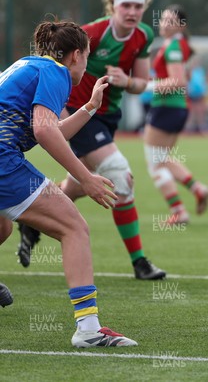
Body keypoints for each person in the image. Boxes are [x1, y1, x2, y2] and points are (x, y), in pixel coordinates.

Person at [17, 0, 166, 280]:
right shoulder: (93, 34)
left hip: (107, 115)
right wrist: (62, 119)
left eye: (139, 6)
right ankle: (139, 261)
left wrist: (127, 82)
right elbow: (55, 69)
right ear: (113, 6)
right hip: (80, 113)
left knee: (75, 185)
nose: (132, 11)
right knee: (119, 174)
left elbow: (141, 84)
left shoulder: (143, 36)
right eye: (126, 5)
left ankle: (32, 219)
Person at [0, 20, 136, 347]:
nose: (86, 64)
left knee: (2, 228)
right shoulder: (56, 72)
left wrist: (89, 108)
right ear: (76, 55)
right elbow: (45, 131)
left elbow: (50, 128)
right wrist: (86, 178)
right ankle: (88, 328)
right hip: (3, 160)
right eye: (88, 56)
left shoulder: (27, 65)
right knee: (74, 228)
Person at [143, 5, 208, 224]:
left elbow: (178, 81)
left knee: (155, 164)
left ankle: (179, 211)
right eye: (163, 20)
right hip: (178, 107)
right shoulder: (181, 45)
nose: (163, 24)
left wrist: (147, 86)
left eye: (170, 21)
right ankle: (197, 188)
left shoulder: (173, 46)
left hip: (166, 107)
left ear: (181, 26)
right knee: (162, 158)